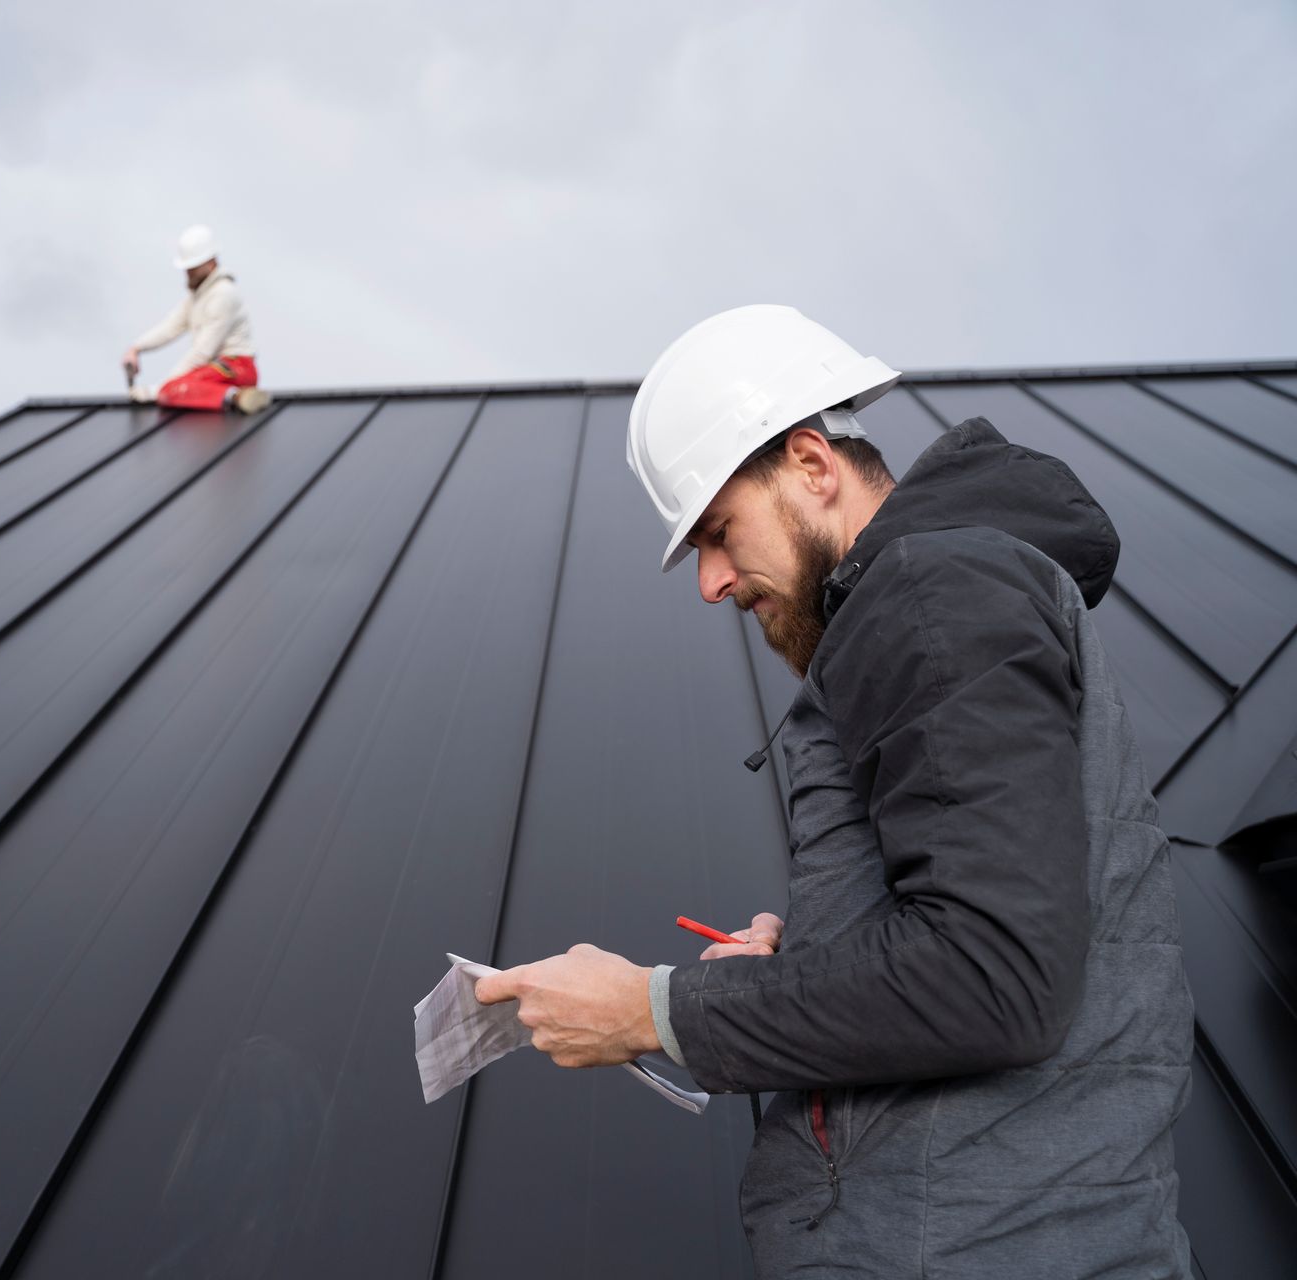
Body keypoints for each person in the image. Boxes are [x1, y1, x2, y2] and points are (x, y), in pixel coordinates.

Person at [473, 304, 1194, 1276]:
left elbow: (996, 976)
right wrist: (809, 955)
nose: (711, 582)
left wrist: (655, 1010)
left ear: (813, 465)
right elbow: (981, 933)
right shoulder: (938, 603)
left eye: (721, 531)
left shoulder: (934, 597)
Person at [122, 225, 271, 415]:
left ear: (210, 263)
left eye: (193, 267)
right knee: (174, 388)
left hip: (237, 367)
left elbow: (202, 352)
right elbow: (170, 327)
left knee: (173, 391)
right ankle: (233, 397)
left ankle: (239, 397)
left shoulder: (224, 295)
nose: (188, 273)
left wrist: (159, 390)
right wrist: (136, 348)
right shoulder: (198, 296)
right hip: (216, 369)